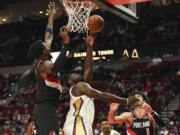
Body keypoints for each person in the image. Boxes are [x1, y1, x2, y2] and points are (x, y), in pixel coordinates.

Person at [63, 32, 138, 135]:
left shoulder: (82, 88)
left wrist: (89, 48)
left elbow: (88, 69)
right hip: (77, 123)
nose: (76, 74)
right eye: (73, 75)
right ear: (69, 82)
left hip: (79, 124)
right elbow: (102, 96)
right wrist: (125, 100)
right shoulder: (78, 86)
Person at [28, 2, 70, 135]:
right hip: (46, 110)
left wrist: (51, 17)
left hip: (47, 110)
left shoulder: (44, 58)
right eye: (45, 46)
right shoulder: (45, 65)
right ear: (43, 52)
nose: (48, 45)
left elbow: (49, 34)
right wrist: (66, 44)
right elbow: (57, 66)